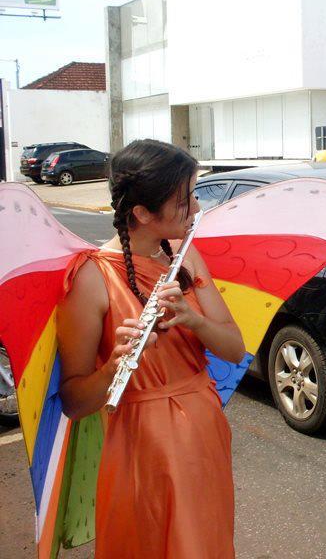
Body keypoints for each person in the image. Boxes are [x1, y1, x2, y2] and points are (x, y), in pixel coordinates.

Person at [57, 139, 245, 558]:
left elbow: (234, 349)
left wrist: (193, 319)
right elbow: (73, 401)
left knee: (207, 542)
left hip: (205, 434)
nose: (195, 210)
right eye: (184, 201)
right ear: (142, 213)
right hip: (144, 445)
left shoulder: (186, 255)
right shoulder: (91, 278)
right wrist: (113, 367)